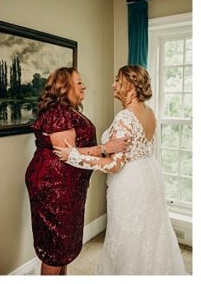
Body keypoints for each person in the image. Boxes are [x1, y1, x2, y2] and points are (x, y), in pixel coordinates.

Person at [54, 66, 187, 274]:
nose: (113, 84)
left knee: (129, 236)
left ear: (131, 87)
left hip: (130, 183)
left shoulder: (125, 117)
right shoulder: (149, 112)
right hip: (149, 174)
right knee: (149, 233)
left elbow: (114, 165)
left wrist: (74, 156)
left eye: (118, 80)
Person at [24, 68, 127, 275]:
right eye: (79, 82)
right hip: (55, 187)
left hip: (66, 186)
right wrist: (107, 149)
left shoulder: (67, 111)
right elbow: (69, 155)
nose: (84, 86)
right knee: (56, 248)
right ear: (65, 87)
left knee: (63, 245)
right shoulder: (59, 114)